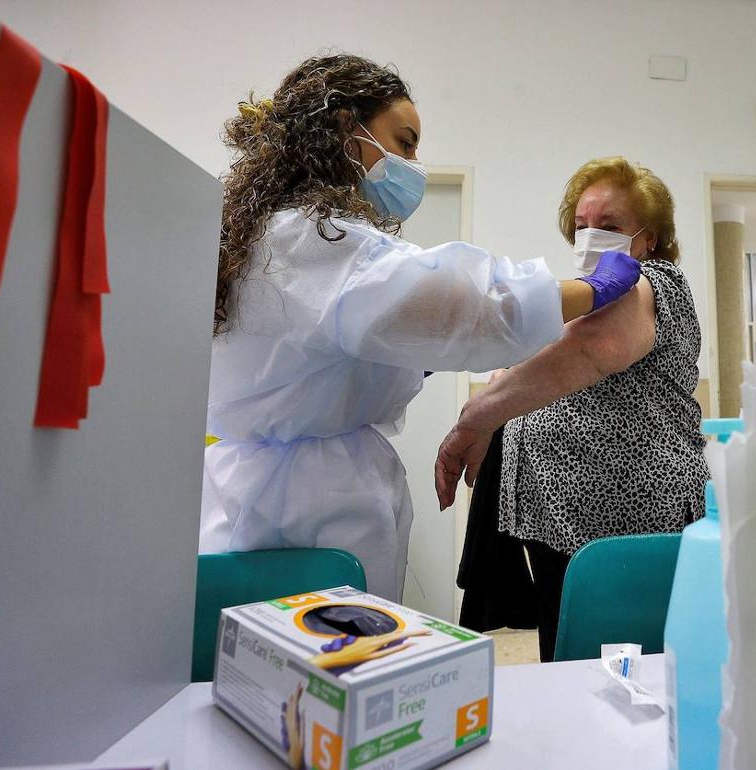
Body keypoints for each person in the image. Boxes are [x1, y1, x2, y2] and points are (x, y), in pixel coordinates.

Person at [199, 55, 642, 601]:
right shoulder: (315, 240)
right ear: (344, 128)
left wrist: (421, 366)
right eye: (403, 142)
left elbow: (338, 340)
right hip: (311, 506)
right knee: (327, 665)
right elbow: (468, 306)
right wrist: (594, 290)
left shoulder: (259, 236)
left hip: (262, 492)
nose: (413, 164)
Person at [435, 157, 710, 661]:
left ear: (649, 239)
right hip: (558, 517)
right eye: (581, 226)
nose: (589, 237)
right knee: (565, 646)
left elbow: (591, 350)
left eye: (609, 227)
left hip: (626, 518)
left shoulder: (659, 281)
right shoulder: (586, 297)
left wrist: (478, 416)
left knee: (623, 662)